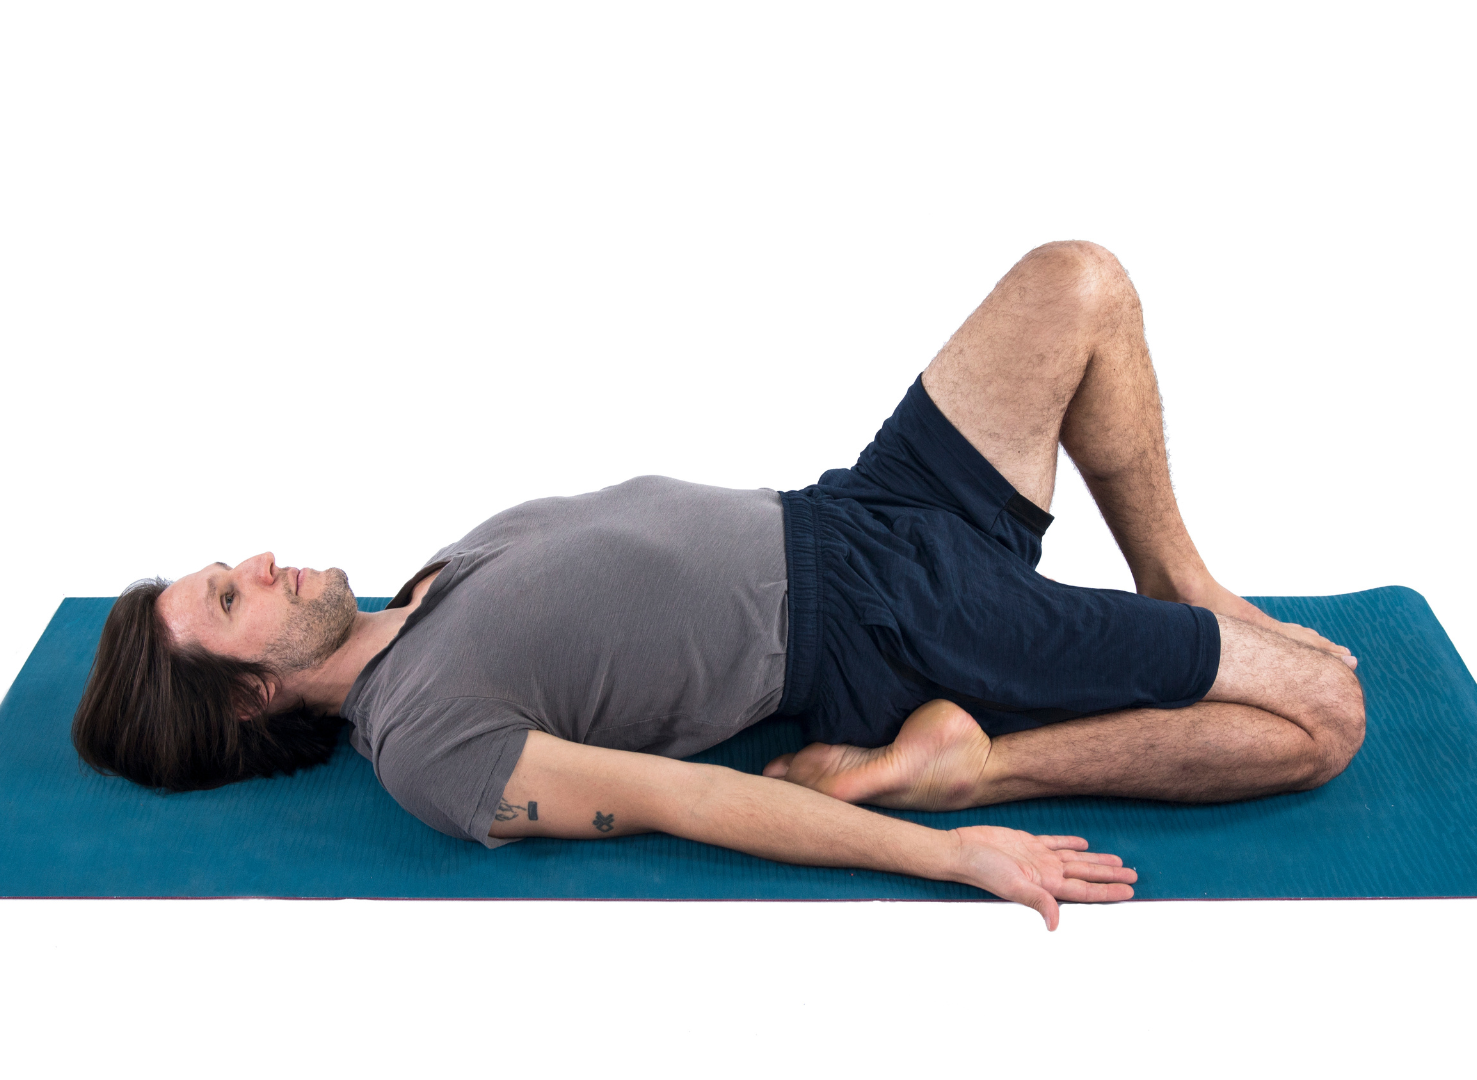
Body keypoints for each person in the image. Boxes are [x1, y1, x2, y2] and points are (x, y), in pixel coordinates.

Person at [72, 241, 1365, 929]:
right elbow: (684, 799)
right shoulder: (427, 743)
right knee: (1324, 716)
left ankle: (1184, 585)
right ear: (249, 698)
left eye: (224, 567)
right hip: (879, 628)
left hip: (863, 509)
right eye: (230, 599)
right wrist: (947, 850)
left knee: (1076, 281)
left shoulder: (423, 588)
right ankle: (976, 765)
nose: (255, 564)